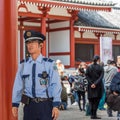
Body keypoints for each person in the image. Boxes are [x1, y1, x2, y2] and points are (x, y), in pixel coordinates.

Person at [12, 30, 62, 120]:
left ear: (41, 45)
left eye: (33, 42)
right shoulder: (23, 64)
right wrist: (15, 104)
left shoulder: (50, 64)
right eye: (28, 43)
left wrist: (56, 105)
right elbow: (18, 85)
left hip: (45, 106)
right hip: (29, 106)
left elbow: (56, 84)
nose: (29, 45)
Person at [86, 55, 104, 119]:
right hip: (98, 86)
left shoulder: (89, 67)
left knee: (91, 100)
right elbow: (101, 77)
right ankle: (94, 114)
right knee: (96, 101)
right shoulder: (100, 67)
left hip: (90, 86)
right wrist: (95, 83)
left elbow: (87, 76)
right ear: (98, 60)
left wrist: (91, 83)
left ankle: (92, 115)